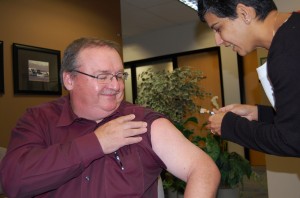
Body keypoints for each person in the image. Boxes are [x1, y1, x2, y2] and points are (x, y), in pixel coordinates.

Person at [0, 37, 220, 197]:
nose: (115, 86)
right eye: (103, 76)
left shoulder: (142, 122)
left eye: (118, 76)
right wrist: (96, 143)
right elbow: (13, 181)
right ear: (69, 80)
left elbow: (202, 169)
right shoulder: (38, 119)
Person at [197, 0, 300, 157]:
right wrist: (259, 114)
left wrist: (228, 125)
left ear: (245, 13)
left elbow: (291, 141)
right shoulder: (293, 33)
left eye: (218, 28)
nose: (218, 41)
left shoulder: (286, 54)